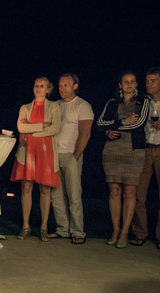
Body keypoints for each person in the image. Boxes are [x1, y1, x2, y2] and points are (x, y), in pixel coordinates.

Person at [97, 72, 149, 248]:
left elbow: (139, 125)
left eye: (132, 81)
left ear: (136, 84)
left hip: (133, 151)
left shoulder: (143, 102)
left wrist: (118, 124)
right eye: (125, 82)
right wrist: (117, 125)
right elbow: (100, 123)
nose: (129, 84)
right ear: (120, 85)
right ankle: (115, 229)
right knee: (114, 191)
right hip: (113, 150)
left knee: (130, 192)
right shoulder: (112, 103)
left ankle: (125, 232)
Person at [11, 77, 61, 242]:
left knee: (45, 190)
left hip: (46, 152)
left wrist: (30, 130)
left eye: (42, 86)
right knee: (26, 188)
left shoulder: (54, 106)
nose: (38, 89)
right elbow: (20, 127)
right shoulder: (25, 107)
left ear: (48, 89)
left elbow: (54, 128)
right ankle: (26, 226)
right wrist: (41, 126)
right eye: (36, 86)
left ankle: (44, 228)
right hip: (28, 152)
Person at [49, 74, 94, 244]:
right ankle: (63, 228)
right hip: (54, 154)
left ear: (75, 86)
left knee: (74, 193)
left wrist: (75, 157)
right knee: (56, 194)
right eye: (60, 85)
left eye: (66, 85)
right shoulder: (56, 105)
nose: (62, 89)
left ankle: (77, 231)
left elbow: (85, 133)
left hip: (71, 154)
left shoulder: (82, 105)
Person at [134, 67, 160, 249]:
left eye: (152, 81)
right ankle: (140, 233)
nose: (148, 84)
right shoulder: (143, 102)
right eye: (147, 81)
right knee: (138, 194)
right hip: (145, 149)